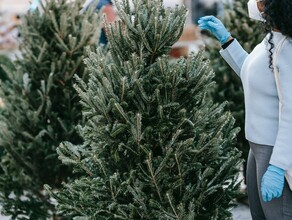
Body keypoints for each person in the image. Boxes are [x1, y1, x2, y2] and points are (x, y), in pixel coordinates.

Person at [198, 0, 292, 219]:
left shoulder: (287, 49)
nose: (255, 3)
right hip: (257, 149)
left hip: (274, 152)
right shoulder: (271, 39)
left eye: (261, 0)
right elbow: (252, 76)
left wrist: (278, 167)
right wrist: (227, 40)